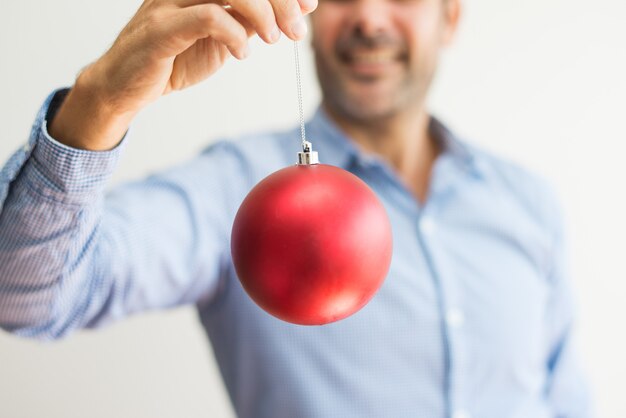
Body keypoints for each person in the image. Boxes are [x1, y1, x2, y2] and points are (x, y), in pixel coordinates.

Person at [0, 0, 592, 417]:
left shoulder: (525, 201)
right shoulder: (239, 194)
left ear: (451, 16)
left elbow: (566, 401)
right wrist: (102, 100)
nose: (368, 16)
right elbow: (25, 294)